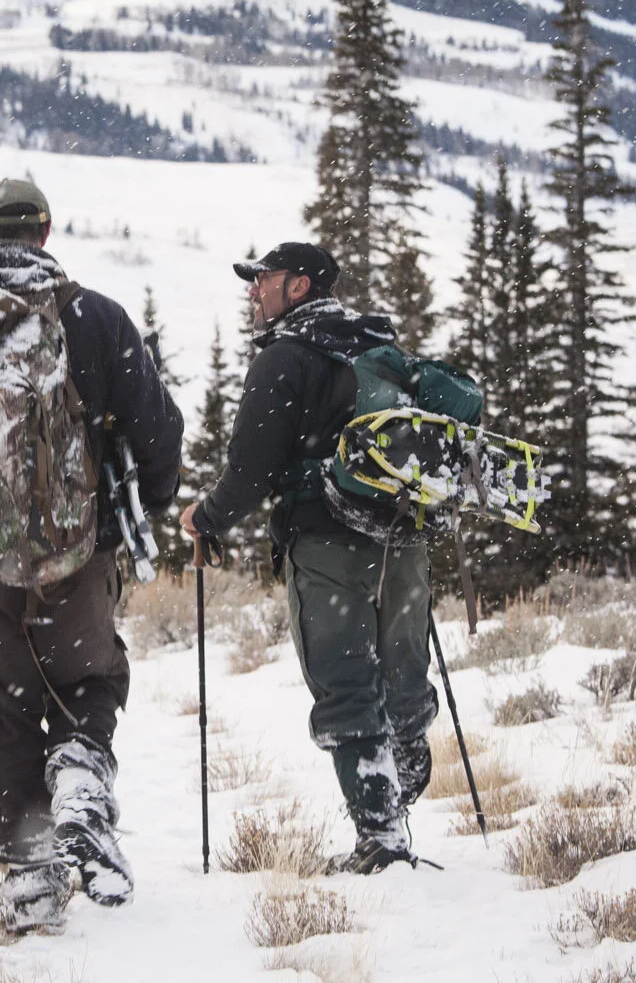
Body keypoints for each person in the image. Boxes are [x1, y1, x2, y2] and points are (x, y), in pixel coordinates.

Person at [0, 180, 183, 932]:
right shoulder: (94, 318)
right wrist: (141, 509)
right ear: (45, 233)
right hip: (76, 551)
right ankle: (81, 776)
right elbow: (159, 434)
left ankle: (30, 882)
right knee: (88, 680)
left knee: (6, 713)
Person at [180, 241, 440, 875]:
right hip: (404, 538)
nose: (253, 290)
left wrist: (204, 518)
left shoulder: (285, 357)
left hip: (327, 542)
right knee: (402, 672)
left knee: (345, 684)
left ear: (298, 286)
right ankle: (401, 784)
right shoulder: (379, 348)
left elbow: (250, 472)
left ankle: (382, 837)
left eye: (263, 279)